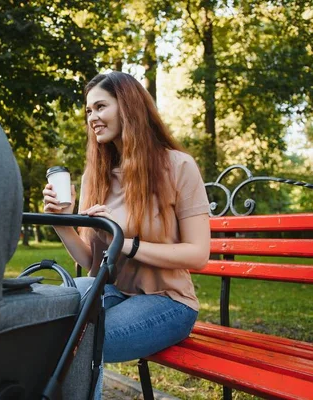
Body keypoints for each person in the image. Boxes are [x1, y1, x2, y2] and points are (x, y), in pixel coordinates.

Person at [43, 71, 211, 398]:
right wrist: (63, 223)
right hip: (114, 292)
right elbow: (91, 259)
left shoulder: (178, 166)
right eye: (88, 111)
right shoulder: (97, 175)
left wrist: (127, 243)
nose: (92, 117)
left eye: (100, 107)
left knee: (83, 340)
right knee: (45, 313)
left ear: (128, 106)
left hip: (169, 301)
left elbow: (198, 254)